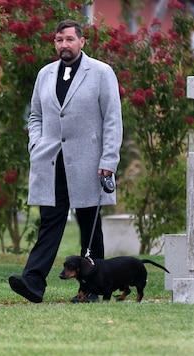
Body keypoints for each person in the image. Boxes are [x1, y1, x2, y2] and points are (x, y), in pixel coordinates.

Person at [8, 20, 123, 303]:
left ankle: (93, 290)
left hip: (89, 162)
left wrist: (109, 159)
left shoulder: (101, 72)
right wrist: (36, 144)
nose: (64, 45)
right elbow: (35, 116)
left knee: (89, 226)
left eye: (70, 39)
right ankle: (33, 283)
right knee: (49, 223)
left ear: (82, 42)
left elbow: (112, 119)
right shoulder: (44, 74)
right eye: (59, 40)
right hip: (51, 162)